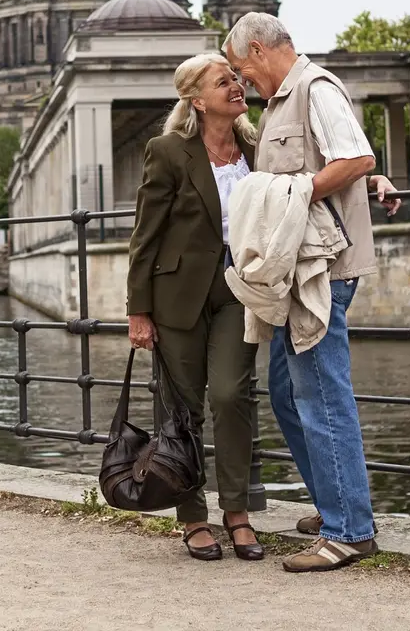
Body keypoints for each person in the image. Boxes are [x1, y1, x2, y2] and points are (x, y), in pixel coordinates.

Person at [224, 12, 401, 573]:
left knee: (321, 397)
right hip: (299, 274)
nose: (242, 82)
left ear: (257, 50)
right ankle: (337, 505)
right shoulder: (281, 102)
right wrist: (366, 181)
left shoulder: (313, 87)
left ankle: (349, 531)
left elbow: (356, 156)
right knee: (286, 393)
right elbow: (345, 162)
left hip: (322, 270)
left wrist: (306, 192)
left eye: (241, 69)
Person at [125, 53, 264, 562]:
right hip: (176, 294)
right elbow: (146, 235)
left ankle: (238, 512)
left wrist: (372, 179)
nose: (236, 85)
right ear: (197, 100)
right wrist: (138, 310)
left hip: (238, 288)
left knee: (231, 395)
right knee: (181, 408)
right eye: (223, 81)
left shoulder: (256, 145)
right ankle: (193, 517)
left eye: (236, 78)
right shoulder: (167, 150)